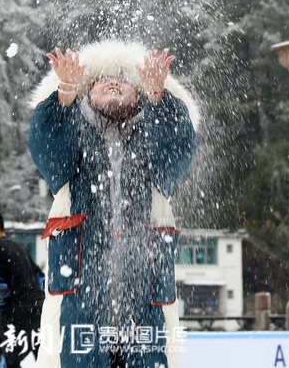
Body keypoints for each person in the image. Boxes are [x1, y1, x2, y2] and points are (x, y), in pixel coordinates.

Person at [28, 40, 199, 368]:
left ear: (139, 95)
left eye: (123, 79)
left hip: (145, 306)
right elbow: (50, 157)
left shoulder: (153, 137)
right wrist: (65, 92)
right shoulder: (73, 138)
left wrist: (158, 97)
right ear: (86, 95)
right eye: (101, 80)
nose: (112, 81)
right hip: (80, 304)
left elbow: (175, 159)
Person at [0, 210, 44, 368]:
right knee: (44, 359)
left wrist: (3, 318)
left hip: (15, 316)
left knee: (9, 362)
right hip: (37, 312)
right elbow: (40, 278)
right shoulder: (19, 247)